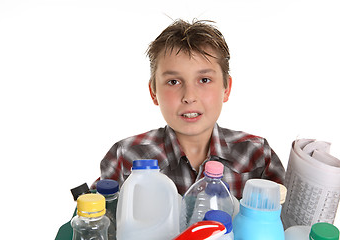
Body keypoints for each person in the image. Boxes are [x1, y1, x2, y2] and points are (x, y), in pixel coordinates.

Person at [92, 19, 285, 199]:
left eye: (204, 80)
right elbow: (95, 223)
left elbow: (289, 224)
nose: (189, 96)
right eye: (173, 82)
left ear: (226, 89)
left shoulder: (257, 154)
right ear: (153, 92)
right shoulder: (126, 157)